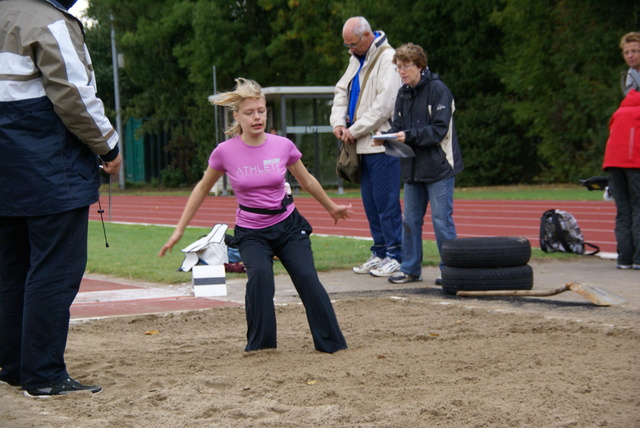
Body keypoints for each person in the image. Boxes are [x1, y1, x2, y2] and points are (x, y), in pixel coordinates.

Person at [159, 78, 350, 353]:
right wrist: (179, 229)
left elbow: (307, 180)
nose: (257, 117)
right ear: (237, 116)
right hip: (252, 232)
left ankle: (332, 344)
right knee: (260, 278)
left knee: (308, 278)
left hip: (287, 225)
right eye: (249, 113)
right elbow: (202, 188)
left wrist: (332, 207)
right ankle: (261, 348)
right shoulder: (225, 152)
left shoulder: (282, 145)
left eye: (261, 110)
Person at [0, 0, 122, 397]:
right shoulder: (49, 21)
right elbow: (73, 94)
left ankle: (14, 366)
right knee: (55, 269)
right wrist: (109, 147)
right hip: (48, 166)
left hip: (6, 169)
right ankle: (45, 374)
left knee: (12, 271)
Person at [374, 43, 463, 284]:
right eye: (398, 67)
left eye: (407, 66)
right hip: (413, 167)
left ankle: (451, 271)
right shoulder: (403, 93)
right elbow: (398, 127)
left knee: (441, 222)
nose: (402, 71)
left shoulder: (438, 90)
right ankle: (411, 268)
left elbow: (439, 130)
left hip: (440, 167)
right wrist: (386, 138)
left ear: (420, 66)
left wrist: (407, 135)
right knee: (410, 221)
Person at [330, 16, 404, 277]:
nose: (350, 50)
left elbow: (385, 105)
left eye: (352, 44)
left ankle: (396, 254)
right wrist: (338, 122)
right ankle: (380, 251)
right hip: (360, 143)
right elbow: (341, 90)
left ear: (366, 36)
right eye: (346, 45)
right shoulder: (356, 59)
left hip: (382, 143)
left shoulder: (388, 58)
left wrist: (355, 129)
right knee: (371, 203)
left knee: (387, 203)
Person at [602, 33, 640, 270]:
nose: (630, 55)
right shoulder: (629, 83)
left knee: (624, 209)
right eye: (627, 52)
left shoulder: (622, 108)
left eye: (634, 51)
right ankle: (637, 258)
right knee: (637, 207)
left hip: (614, 159)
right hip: (632, 158)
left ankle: (625, 258)